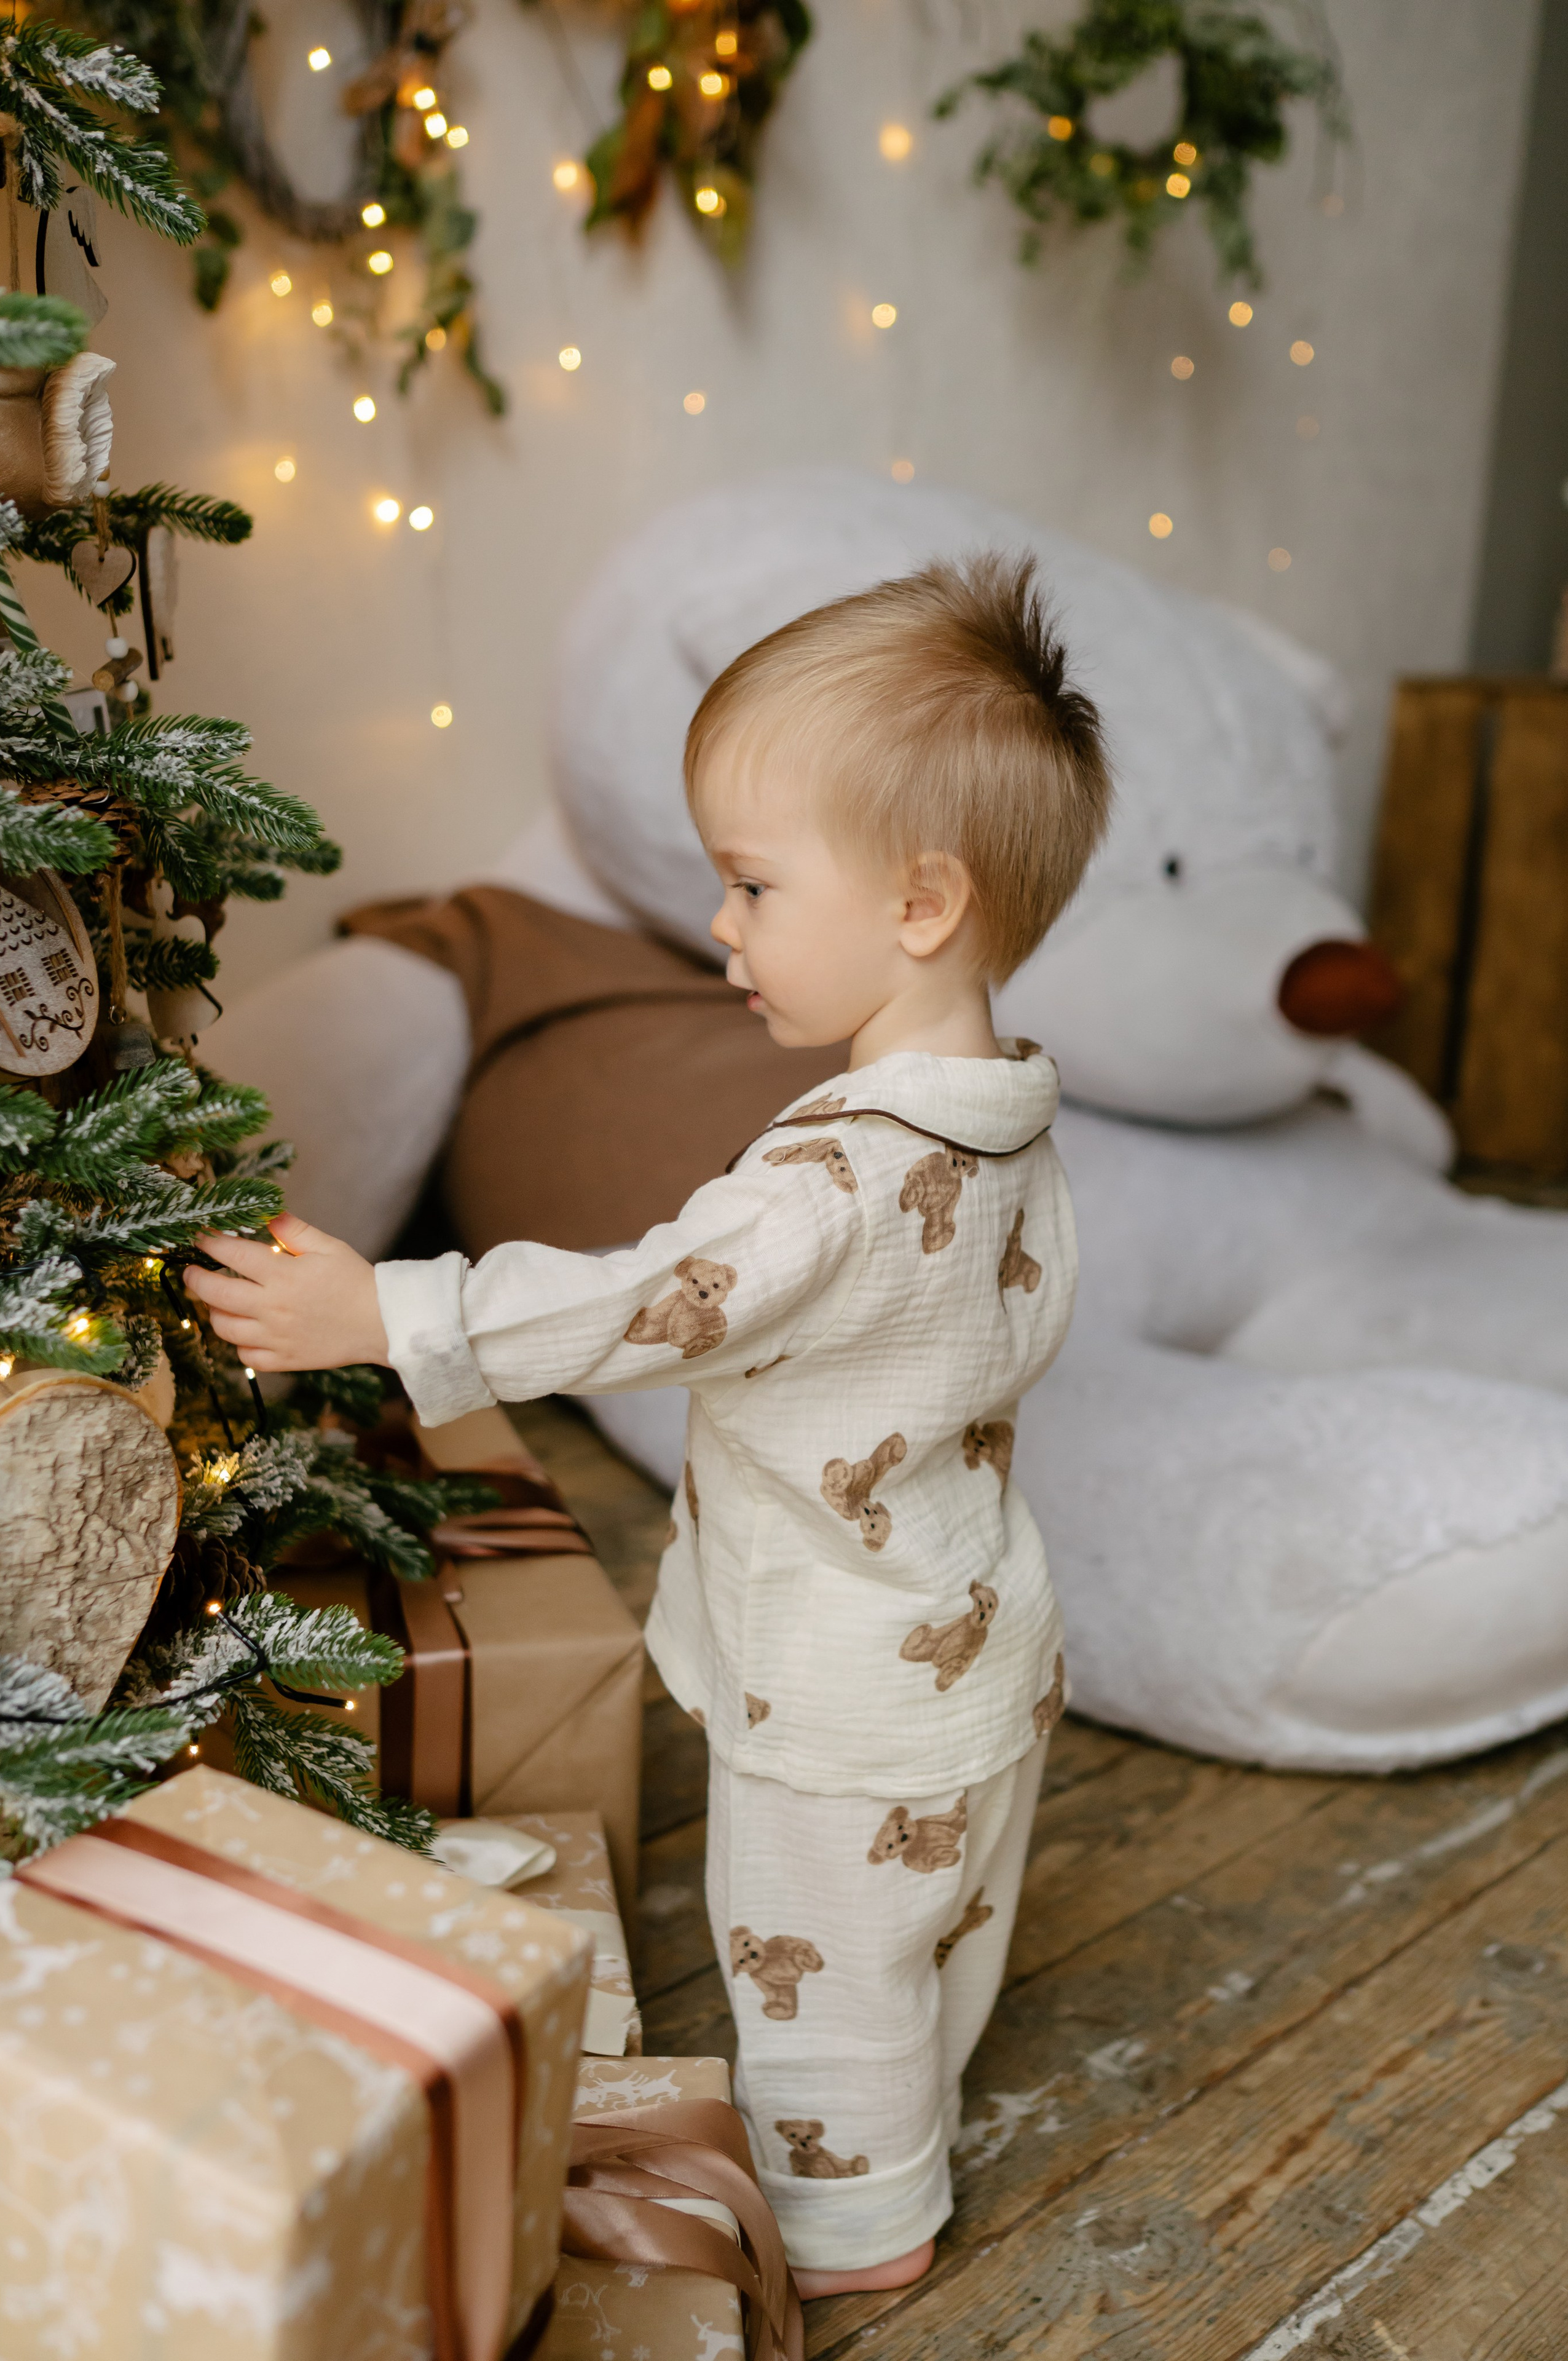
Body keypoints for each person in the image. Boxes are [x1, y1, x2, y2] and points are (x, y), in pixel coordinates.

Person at [187, 553, 1112, 2295]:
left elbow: (638, 1299)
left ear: (922, 905)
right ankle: (905, 2112)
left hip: (836, 1697)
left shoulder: (828, 1183)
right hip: (985, 1640)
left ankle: (857, 2230)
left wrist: (384, 1311)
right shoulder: (1014, 1121)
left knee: (815, 1976)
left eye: (756, 884)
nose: (724, 925)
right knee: (935, 1944)